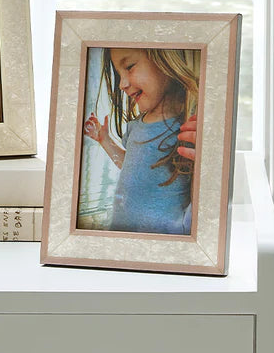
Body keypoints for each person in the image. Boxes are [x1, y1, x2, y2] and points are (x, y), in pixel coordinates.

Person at [83, 47, 200, 235]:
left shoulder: (190, 128)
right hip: (122, 232)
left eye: (129, 66)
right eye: (119, 75)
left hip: (162, 239)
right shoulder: (136, 126)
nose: (122, 84)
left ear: (166, 59)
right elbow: (132, 167)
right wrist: (105, 141)